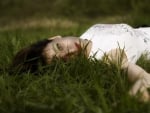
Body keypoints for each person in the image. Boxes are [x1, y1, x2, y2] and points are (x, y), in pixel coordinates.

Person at [12, 23, 150, 101]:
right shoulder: (104, 57)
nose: (69, 51)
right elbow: (131, 70)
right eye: (63, 61)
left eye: (58, 47)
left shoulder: (87, 34)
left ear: (55, 37)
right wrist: (141, 82)